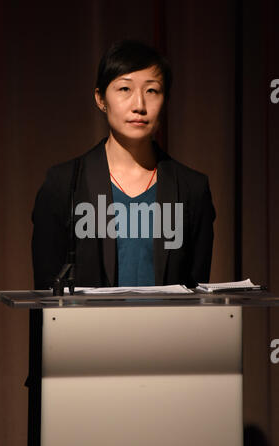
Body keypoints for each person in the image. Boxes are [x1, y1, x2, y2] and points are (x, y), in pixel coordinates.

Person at [31, 39, 216, 290]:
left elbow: (198, 295)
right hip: (87, 330)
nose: (139, 105)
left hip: (168, 330)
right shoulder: (64, 185)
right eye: (124, 89)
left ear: (166, 100)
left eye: (152, 91)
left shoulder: (192, 189)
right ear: (100, 99)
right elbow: (46, 292)